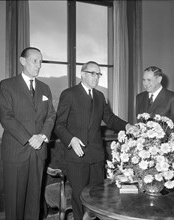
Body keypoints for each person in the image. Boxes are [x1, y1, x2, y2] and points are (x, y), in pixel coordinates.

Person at [54, 61, 131, 220]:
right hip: (76, 155)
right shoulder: (69, 94)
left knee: (96, 198)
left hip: (96, 155)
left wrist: (128, 126)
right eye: (92, 73)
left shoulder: (99, 96)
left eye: (98, 74)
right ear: (82, 74)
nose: (97, 77)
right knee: (79, 198)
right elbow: (59, 125)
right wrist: (71, 140)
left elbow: (110, 119)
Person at [0, 47, 56, 220]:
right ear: (23, 61)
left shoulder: (45, 88)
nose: (39, 65)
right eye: (35, 61)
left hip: (38, 153)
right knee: (15, 202)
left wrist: (42, 136)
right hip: (16, 151)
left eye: (41, 62)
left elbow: (51, 115)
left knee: (33, 201)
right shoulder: (7, 85)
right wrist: (30, 138)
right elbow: (6, 117)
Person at [136, 66, 174, 131]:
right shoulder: (139, 97)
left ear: (159, 79)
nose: (145, 83)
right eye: (143, 80)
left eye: (149, 80)